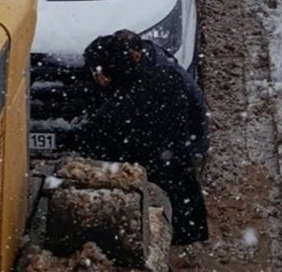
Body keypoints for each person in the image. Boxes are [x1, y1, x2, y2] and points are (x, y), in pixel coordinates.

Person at [71, 30, 210, 245]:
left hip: (149, 199)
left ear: (106, 75)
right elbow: (196, 109)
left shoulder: (110, 117)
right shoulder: (169, 77)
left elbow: (101, 166)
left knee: (154, 241)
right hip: (181, 183)